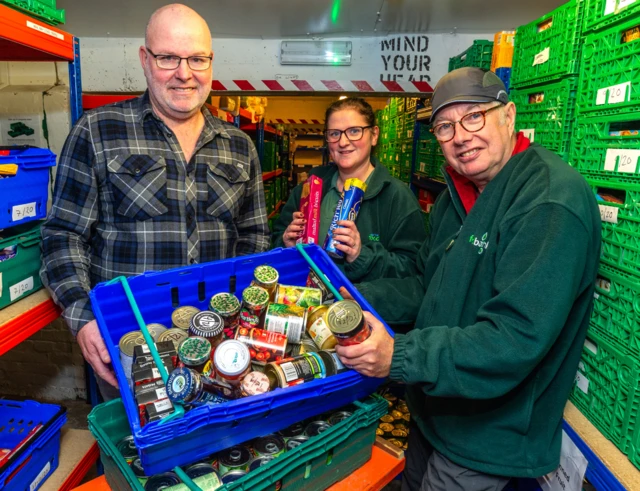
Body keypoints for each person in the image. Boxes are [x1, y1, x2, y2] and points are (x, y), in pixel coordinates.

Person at [335, 68, 601, 490]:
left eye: (475, 116)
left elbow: (512, 340)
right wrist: (352, 299)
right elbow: (425, 284)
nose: (460, 136)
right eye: (445, 126)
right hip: (436, 408)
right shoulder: (456, 196)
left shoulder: (549, 201)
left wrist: (399, 356)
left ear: (509, 116)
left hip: (487, 436)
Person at [40, 4, 269, 400]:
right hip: (127, 347)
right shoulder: (97, 131)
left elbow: (255, 237)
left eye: (197, 58)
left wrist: (241, 319)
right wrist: (83, 319)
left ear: (211, 63)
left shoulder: (239, 146)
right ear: (145, 60)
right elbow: (63, 235)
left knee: (211, 452)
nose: (184, 73)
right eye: (168, 58)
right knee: (134, 454)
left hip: (218, 345)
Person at [272, 97, 425, 284]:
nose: (343, 142)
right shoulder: (308, 189)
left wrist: (361, 255)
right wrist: (286, 244)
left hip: (360, 311)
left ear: (374, 135)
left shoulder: (398, 197)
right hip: (306, 304)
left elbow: (412, 271)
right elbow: (275, 242)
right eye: (334, 133)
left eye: (354, 131)